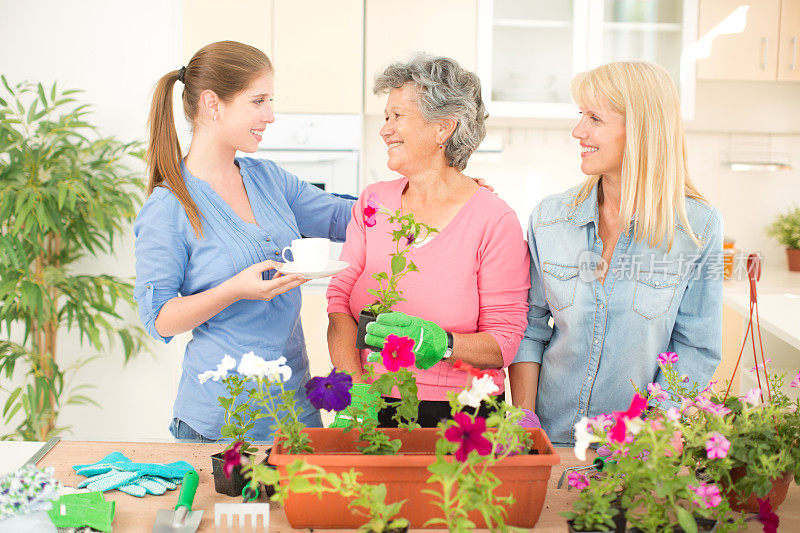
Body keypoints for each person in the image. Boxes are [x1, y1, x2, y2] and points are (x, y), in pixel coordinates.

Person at [134, 41, 354, 441]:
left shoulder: (268, 178)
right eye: (258, 101)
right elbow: (160, 319)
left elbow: (344, 217)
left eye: (270, 100)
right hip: (218, 421)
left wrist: (435, 190)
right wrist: (235, 290)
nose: (270, 115)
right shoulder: (167, 207)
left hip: (294, 412)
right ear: (212, 104)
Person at [509, 61, 723, 444]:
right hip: (550, 440)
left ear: (642, 130)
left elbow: (696, 348)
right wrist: (525, 422)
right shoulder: (549, 219)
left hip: (636, 454)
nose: (579, 131)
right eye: (580, 115)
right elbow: (531, 328)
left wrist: (648, 443)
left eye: (595, 118)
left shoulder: (697, 228)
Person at [326, 54, 530, 428]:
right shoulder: (374, 202)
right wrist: (354, 388)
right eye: (386, 117)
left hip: (461, 413)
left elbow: (505, 340)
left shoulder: (494, 219)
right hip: (370, 402)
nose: (385, 129)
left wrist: (444, 343)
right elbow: (339, 300)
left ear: (443, 128)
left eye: (397, 116)